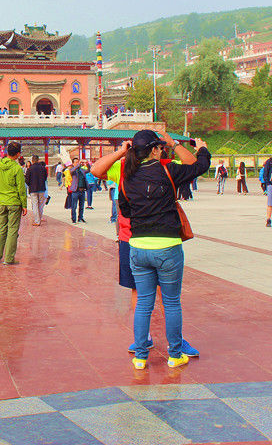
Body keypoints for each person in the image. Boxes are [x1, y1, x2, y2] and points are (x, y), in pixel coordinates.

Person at [90, 130, 210, 370]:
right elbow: (199, 165)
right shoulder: (168, 170)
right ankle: (175, 354)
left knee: (144, 302)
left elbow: (99, 175)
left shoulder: (126, 174)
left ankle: (141, 356)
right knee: (172, 301)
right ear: (156, 149)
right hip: (167, 246)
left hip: (138, 246)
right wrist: (179, 145)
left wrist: (122, 152)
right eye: (160, 147)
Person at [0, 142, 28, 264]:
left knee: (2, 228)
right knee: (13, 229)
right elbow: (21, 189)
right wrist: (24, 205)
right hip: (14, 202)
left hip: (2, 202)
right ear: (18, 154)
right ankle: (9, 258)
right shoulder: (17, 168)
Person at [25, 154, 48, 226]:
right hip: (42, 188)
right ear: (38, 160)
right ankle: (39, 219)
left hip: (33, 189)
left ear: (32, 161)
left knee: (35, 205)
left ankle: (37, 221)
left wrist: (30, 185)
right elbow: (45, 178)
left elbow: (27, 179)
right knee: (40, 205)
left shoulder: (30, 169)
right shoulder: (43, 168)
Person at [64, 157, 87, 223]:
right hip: (75, 191)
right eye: (76, 162)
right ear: (73, 163)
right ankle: (73, 218)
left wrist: (87, 163)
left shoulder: (82, 170)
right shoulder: (72, 170)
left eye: (78, 162)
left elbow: (89, 170)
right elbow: (71, 171)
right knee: (74, 206)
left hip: (82, 190)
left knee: (82, 206)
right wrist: (77, 165)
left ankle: (80, 217)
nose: (78, 163)